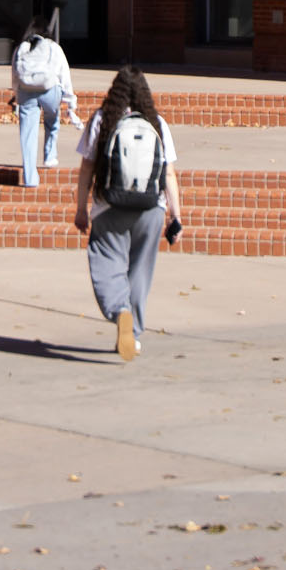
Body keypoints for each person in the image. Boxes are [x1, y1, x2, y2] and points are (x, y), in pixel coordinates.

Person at [73, 66, 182, 361]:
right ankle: (131, 333)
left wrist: (81, 209)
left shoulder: (102, 119)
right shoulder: (156, 123)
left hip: (109, 206)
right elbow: (169, 173)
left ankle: (119, 311)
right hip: (151, 207)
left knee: (106, 263)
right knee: (140, 271)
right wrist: (176, 215)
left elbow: (86, 169)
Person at [10, 17, 75, 188]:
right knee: (52, 119)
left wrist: (17, 96)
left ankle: (30, 178)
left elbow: (15, 75)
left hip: (26, 90)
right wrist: (70, 100)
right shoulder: (53, 47)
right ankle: (50, 155)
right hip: (49, 90)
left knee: (27, 134)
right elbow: (64, 75)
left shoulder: (21, 48)